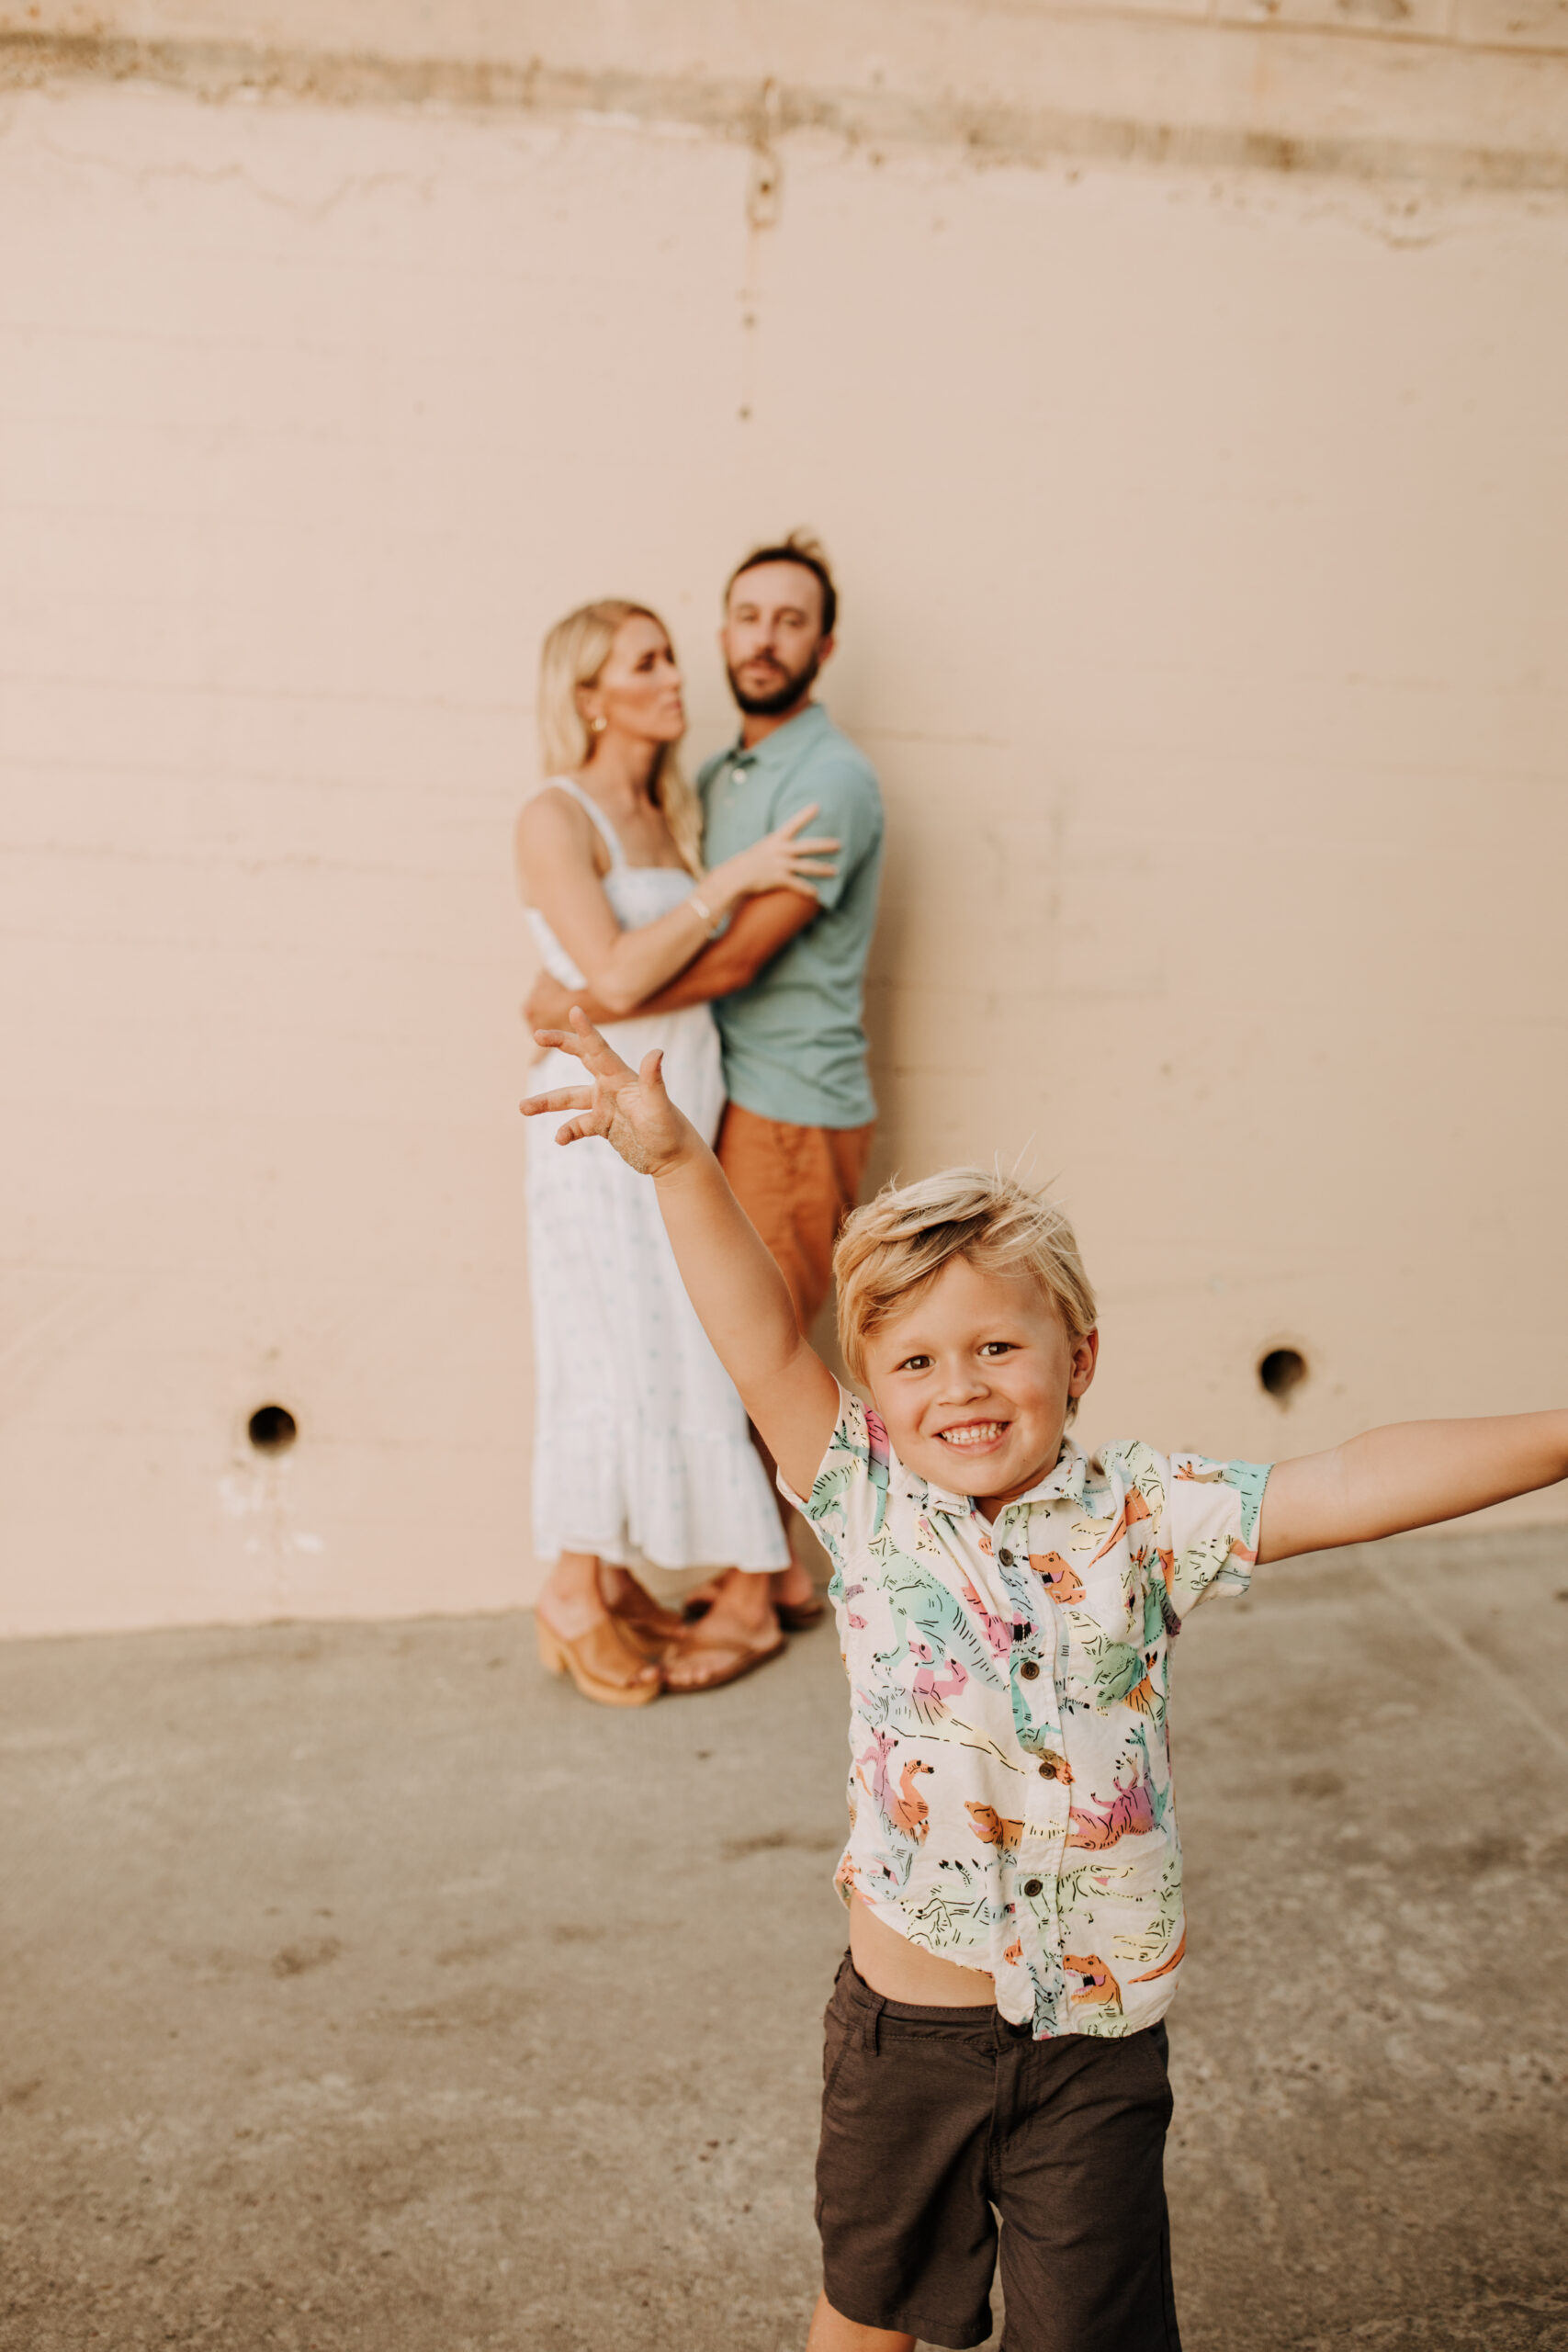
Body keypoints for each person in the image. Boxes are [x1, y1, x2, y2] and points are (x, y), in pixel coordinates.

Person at [523, 1009, 1568, 2351]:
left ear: (1076, 1357)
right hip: (904, 2036)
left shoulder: (1145, 1510)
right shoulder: (863, 1493)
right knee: (866, 2314)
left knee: (1092, 2332)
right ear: (872, 1392)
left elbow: (1350, 1481)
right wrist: (676, 1165)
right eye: (912, 1361)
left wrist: (1551, 1438)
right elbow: (758, 1342)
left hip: (1093, 2046)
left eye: (996, 1348)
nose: (957, 1387)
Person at [525, 534, 886, 1688]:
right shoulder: (699, 788)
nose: (751, 644)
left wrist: (584, 994)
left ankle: (750, 1589)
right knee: (665, 1341)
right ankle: (722, 1574)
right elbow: (628, 955)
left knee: (739, 1344)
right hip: (660, 1107)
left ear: (825, 645)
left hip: (780, 1102)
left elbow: (725, 968)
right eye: (744, 618)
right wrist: (598, 989)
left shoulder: (821, 782)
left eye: (791, 621)